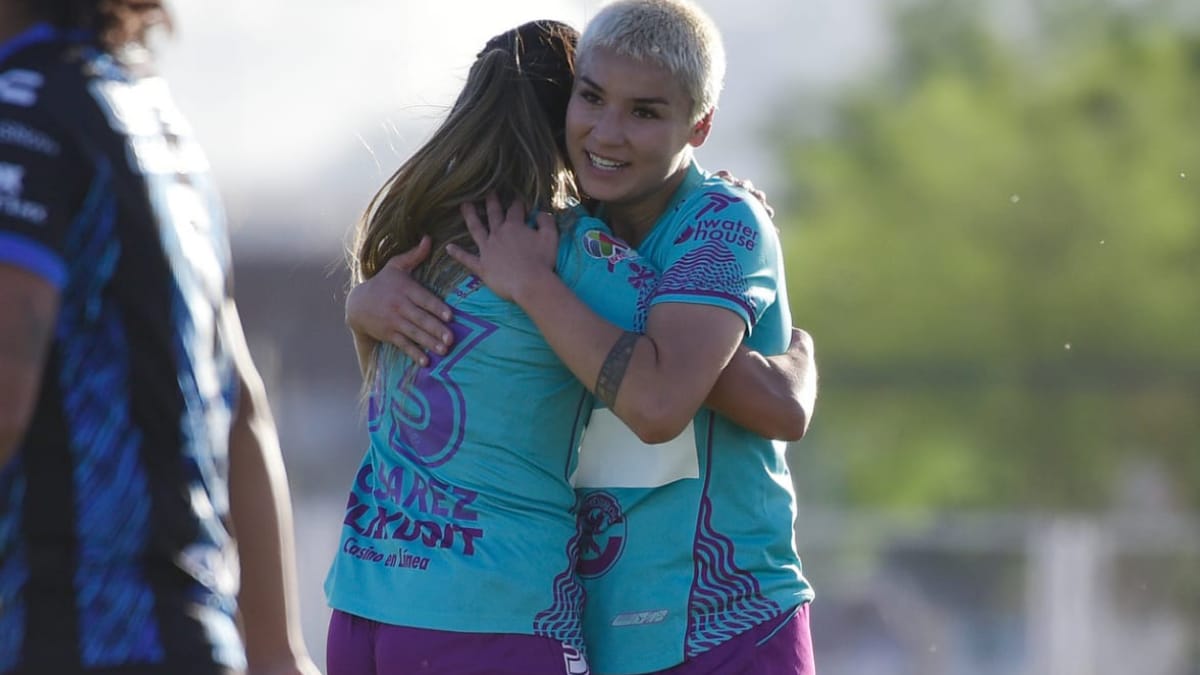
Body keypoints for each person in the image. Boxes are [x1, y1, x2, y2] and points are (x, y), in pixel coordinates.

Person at [324, 18, 813, 675]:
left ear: (698, 127)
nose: (607, 132)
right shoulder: (560, 235)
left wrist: (532, 285)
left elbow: (691, 398)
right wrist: (363, 305)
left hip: (722, 625)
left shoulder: (709, 224)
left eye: (643, 112)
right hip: (591, 621)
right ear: (562, 112)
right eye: (591, 98)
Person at [0, 2, 319, 674]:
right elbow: (243, 405)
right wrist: (276, 652)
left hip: (65, 642)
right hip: (191, 640)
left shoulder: (22, 114)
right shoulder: (155, 117)